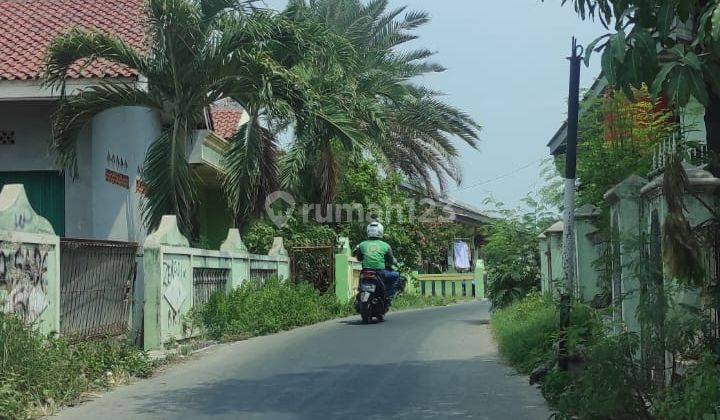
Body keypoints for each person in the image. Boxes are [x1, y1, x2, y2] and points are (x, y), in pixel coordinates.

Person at [354, 221, 402, 302]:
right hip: (380, 272)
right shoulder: (386, 246)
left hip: (365, 271)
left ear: (368, 231)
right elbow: (390, 260)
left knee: (361, 280)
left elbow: (359, 258)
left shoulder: (362, 245)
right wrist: (395, 262)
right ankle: (389, 297)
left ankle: (360, 291)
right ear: (381, 231)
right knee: (396, 275)